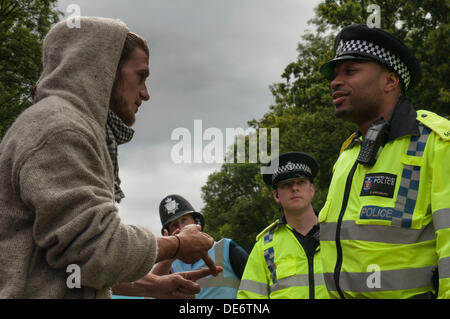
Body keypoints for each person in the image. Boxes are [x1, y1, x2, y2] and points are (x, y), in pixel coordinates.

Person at [0, 17, 218, 299]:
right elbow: (96, 250)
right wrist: (176, 244)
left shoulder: (63, 124)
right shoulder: (61, 130)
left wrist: (152, 285)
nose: (145, 94)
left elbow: (73, 264)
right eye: (140, 76)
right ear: (106, 70)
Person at [318, 24, 450, 299]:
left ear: (391, 81)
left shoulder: (436, 144)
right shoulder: (347, 155)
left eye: (350, 71)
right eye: (335, 75)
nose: (335, 82)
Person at [238, 152, 329, 299]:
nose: (294, 188)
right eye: (287, 185)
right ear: (276, 195)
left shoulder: (337, 233)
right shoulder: (264, 246)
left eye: (301, 182)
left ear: (311, 189)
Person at [151, 194, 249, 299]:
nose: (181, 228)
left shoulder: (228, 249)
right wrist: (171, 254)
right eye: (174, 225)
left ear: (197, 223)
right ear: (169, 234)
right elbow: (149, 293)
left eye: (184, 220)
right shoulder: (168, 267)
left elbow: (255, 287)